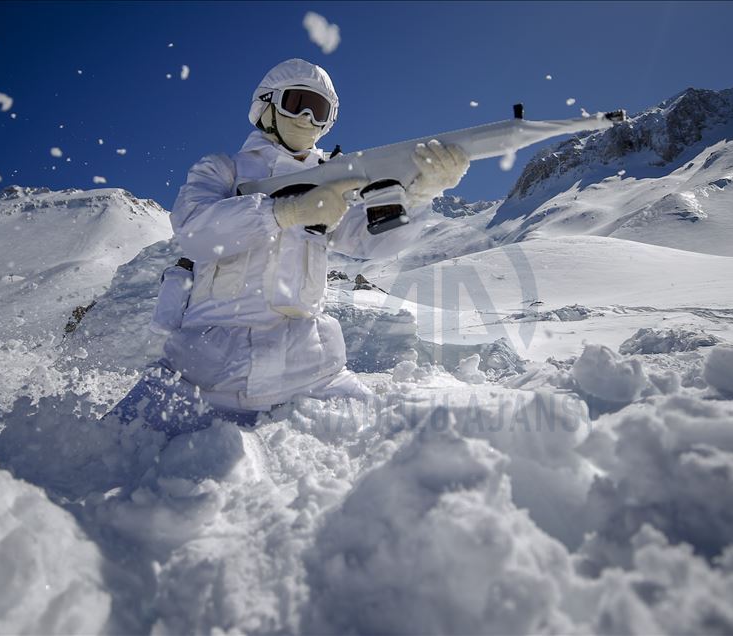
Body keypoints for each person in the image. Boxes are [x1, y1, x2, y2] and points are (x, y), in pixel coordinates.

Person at [107, 58, 469, 433]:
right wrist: (284, 211)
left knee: (397, 446)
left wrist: (422, 192)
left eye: (320, 110)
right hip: (199, 379)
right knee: (101, 456)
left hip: (311, 378)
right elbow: (195, 231)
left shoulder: (334, 183)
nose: (308, 118)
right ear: (266, 105)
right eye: (297, 103)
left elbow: (371, 241)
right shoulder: (223, 171)